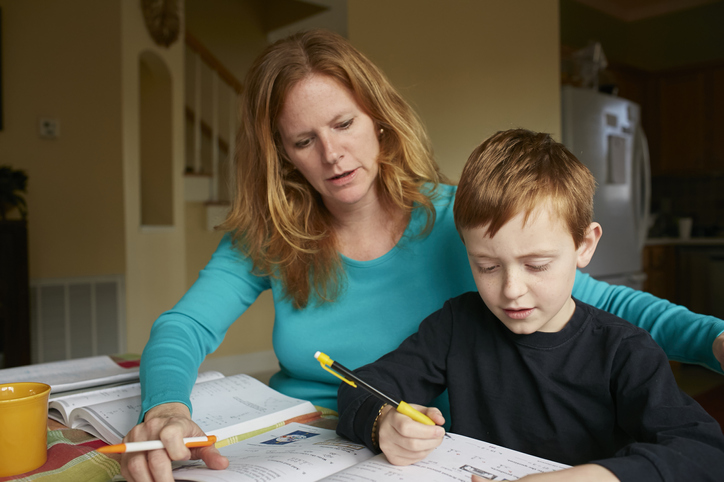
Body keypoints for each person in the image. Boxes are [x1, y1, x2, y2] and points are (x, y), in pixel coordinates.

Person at [121, 29, 724, 481]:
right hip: (301, 444)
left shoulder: (464, 221)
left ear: (378, 121)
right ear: (283, 155)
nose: (332, 155)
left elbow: (596, 305)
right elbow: (185, 326)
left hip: (418, 455)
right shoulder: (271, 234)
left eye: (344, 123)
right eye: (304, 141)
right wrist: (168, 406)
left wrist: (715, 340)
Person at [336, 129, 724, 481]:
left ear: (584, 246)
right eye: (487, 266)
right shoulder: (457, 325)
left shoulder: (624, 350)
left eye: (536, 265)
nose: (511, 290)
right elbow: (360, 388)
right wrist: (383, 422)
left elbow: (703, 452)